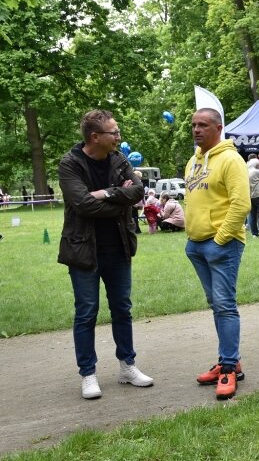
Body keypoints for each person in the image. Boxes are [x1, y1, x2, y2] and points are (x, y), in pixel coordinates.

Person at [58, 109, 153, 399]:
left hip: (118, 247)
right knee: (86, 312)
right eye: (114, 132)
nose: (119, 136)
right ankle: (88, 374)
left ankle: (127, 366)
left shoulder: (118, 159)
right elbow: (83, 205)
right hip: (84, 250)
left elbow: (138, 190)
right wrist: (117, 196)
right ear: (95, 136)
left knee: (122, 308)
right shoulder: (70, 164)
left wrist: (104, 193)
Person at [184, 107, 250, 400]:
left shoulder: (231, 160)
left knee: (224, 305)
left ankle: (227, 368)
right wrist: (193, 238)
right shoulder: (193, 162)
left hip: (221, 244)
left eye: (203, 125)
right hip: (196, 245)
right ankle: (230, 358)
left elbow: (241, 204)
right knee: (216, 304)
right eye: (194, 125)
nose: (197, 130)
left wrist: (221, 238)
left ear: (218, 128)